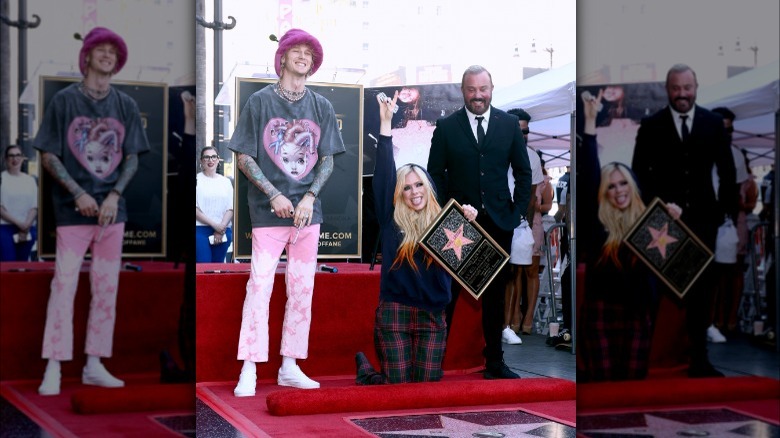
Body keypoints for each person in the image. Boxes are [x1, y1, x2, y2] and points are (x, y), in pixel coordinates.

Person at [33, 27, 150, 395]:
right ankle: (53, 366)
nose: (106, 56)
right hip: (71, 211)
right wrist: (80, 192)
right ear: (86, 57)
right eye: (99, 50)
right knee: (63, 284)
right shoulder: (64, 101)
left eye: (112, 52)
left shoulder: (125, 105)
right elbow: (48, 154)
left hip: (112, 212)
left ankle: (94, 364)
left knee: (106, 287)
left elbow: (132, 157)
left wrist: (114, 195)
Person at [229, 28, 345, 396]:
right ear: (281, 58)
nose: (303, 57)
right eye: (296, 51)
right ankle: (248, 367)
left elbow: (326, 160)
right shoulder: (260, 102)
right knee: (259, 286)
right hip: (267, 213)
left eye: (309, 53)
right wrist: (275, 194)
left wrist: (310, 197)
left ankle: (290, 366)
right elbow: (244, 156)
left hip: (308, 215)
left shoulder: (321, 106)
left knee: (302, 289)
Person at [355, 91, 479, 385]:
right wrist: (385, 126)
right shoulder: (390, 217)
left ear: (429, 186)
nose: (414, 191)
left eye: (418, 184)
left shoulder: (447, 223)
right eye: (407, 187)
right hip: (395, 312)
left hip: (433, 316)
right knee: (397, 388)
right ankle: (368, 374)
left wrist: (470, 222)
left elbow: (472, 263)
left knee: (425, 388)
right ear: (399, 193)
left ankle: (374, 372)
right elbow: (384, 173)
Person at [631, 64, 737, 378]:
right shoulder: (651, 125)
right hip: (662, 225)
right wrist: (658, 209)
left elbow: (727, 171)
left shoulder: (713, 123)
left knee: (702, 291)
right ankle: (651, 360)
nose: (681, 94)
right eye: (676, 88)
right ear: (668, 89)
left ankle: (700, 360)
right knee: (660, 292)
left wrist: (723, 212)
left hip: (705, 221)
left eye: (686, 88)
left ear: (696, 87)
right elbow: (639, 175)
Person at [427, 65, 532, 379]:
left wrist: (516, 214)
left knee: (495, 295)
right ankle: (433, 361)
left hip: (500, 221)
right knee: (449, 295)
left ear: (491, 88)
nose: (477, 96)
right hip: (458, 225)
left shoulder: (509, 124)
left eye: (482, 89)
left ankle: (495, 362)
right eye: (471, 90)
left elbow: (524, 173)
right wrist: (450, 212)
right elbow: (435, 174)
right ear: (463, 90)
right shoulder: (446, 127)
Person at [579, 90, 682, 381]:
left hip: (638, 311)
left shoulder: (650, 223)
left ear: (632, 186)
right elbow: (588, 174)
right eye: (610, 186)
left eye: (623, 183)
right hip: (601, 312)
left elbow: (677, 262)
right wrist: (589, 123)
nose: (618, 190)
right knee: (604, 382)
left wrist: (673, 221)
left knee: (633, 382)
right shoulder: (597, 222)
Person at [502, 108, 543, 344]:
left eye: (526, 131)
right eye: (519, 130)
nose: (523, 134)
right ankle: (501, 323)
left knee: (516, 273)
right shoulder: (494, 149)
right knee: (499, 275)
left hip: (517, 221)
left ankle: (511, 324)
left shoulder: (532, 156)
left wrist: (520, 221)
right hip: (494, 218)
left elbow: (531, 194)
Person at [195, 146, 234, 263]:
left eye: (213, 157)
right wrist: (214, 225)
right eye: (206, 157)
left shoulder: (226, 182)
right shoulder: (196, 180)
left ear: (218, 160)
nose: (210, 160)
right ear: (201, 161)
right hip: (200, 230)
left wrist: (220, 228)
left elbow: (231, 207)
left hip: (223, 231)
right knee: (204, 265)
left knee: (218, 268)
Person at [0, 145, 38, 261]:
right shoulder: (1, 178)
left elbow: (34, 207)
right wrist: (19, 224)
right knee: (9, 263)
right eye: (11, 155)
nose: (14, 159)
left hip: (27, 228)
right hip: (5, 228)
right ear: (6, 159)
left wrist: (25, 226)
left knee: (23, 265)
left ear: (22, 158)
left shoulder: (30, 180)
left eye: (18, 155)